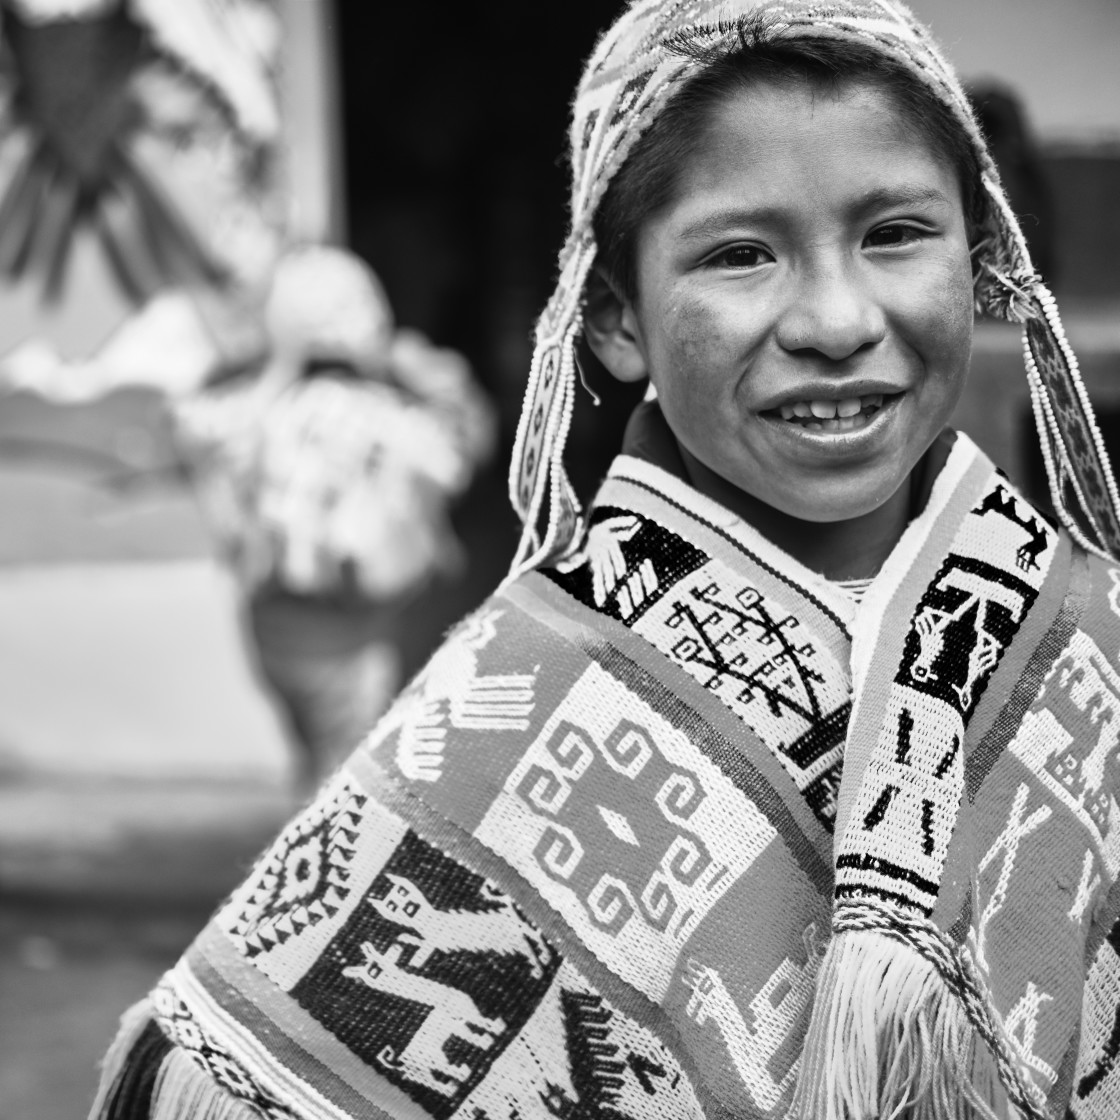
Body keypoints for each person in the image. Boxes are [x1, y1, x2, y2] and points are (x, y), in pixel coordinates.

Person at [88, 3, 1120, 1119]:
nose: (834, 316)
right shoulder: (503, 718)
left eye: (896, 234)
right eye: (740, 254)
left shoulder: (1088, 640)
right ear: (617, 318)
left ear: (983, 266)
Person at [174, 245, 496, 786]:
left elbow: (193, 437)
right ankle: (318, 864)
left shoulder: (250, 410)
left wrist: (274, 367)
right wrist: (432, 376)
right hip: (347, 637)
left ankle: (305, 850)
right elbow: (457, 457)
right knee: (347, 782)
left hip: (269, 629)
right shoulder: (376, 415)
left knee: (317, 761)